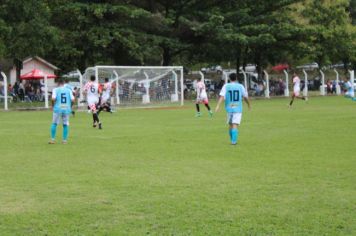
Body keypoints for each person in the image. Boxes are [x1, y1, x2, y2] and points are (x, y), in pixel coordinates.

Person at [215, 73, 251, 145]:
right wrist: (249, 104)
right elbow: (245, 97)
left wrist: (218, 106)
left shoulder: (226, 86)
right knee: (235, 124)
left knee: (230, 125)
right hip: (238, 109)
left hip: (229, 108)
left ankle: (232, 140)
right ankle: (234, 141)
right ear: (236, 78)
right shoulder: (240, 86)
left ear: (229, 78)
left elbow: (222, 96)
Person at [49, 78, 75, 144]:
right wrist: (71, 106)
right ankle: (64, 140)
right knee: (65, 124)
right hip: (66, 108)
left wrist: (52, 105)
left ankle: (52, 140)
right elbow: (73, 100)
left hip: (58, 108)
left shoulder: (55, 89)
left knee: (54, 123)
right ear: (64, 83)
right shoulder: (68, 90)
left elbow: (53, 98)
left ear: (58, 83)